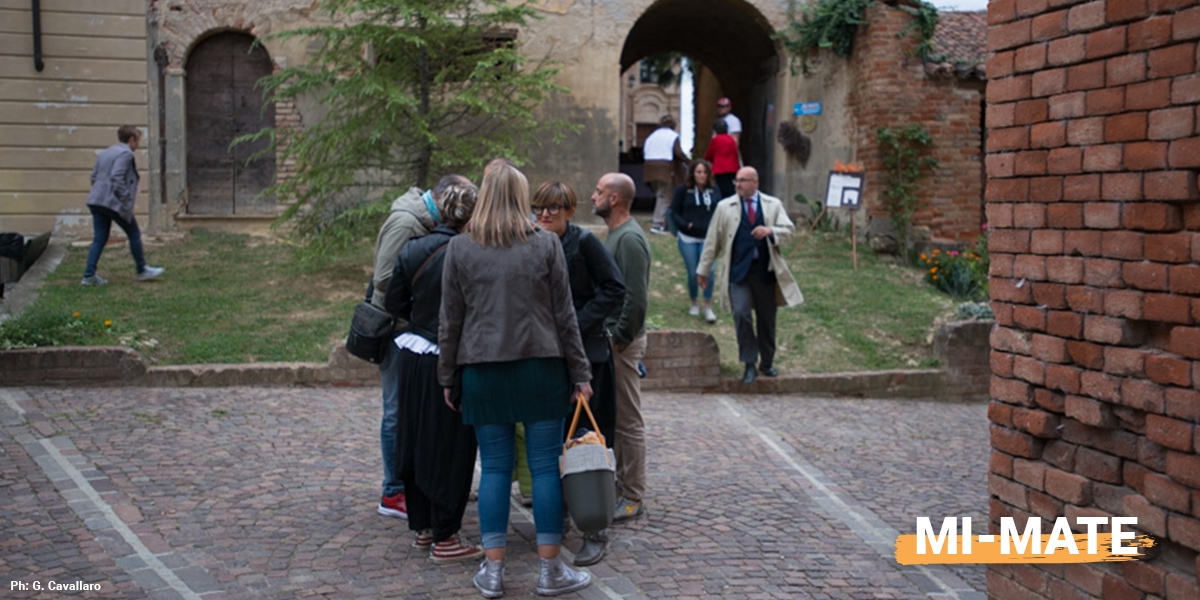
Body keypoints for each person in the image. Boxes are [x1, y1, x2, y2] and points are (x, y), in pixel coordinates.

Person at [438, 164, 593, 598]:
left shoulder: (460, 248)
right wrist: (580, 372)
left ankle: (493, 571)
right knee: (544, 466)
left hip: (483, 370)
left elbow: (450, 321)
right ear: (522, 197)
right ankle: (550, 570)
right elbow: (565, 316)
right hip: (540, 368)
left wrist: (447, 376)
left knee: (494, 468)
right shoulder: (545, 244)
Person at [383, 181, 483, 563]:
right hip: (451, 359)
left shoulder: (412, 249)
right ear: (471, 216)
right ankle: (446, 537)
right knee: (450, 447)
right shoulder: (471, 252)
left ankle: (423, 529)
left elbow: (395, 303)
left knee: (414, 441)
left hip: (413, 356)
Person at [530, 181, 626, 566]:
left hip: (589, 355)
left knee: (590, 441)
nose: (545, 214)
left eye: (553, 207)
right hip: (550, 356)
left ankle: (595, 528)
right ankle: (562, 516)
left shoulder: (584, 243)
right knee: (556, 440)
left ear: (569, 211)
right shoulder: (533, 244)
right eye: (539, 207)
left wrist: (576, 322)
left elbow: (614, 288)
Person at [371, 174, 471, 521]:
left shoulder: (425, 223)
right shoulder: (406, 222)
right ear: (443, 198)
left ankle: (420, 485)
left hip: (412, 328)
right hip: (396, 329)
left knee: (413, 412)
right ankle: (393, 490)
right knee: (396, 411)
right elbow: (383, 278)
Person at [697, 167, 804, 385]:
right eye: (736, 181)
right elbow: (712, 240)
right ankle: (749, 363)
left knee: (767, 319)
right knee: (741, 314)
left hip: (765, 271)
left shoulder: (773, 205)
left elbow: (789, 230)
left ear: (755, 182)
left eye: (743, 181)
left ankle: (767, 362)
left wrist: (771, 231)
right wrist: (703, 269)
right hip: (737, 272)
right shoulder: (724, 207)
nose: (737, 185)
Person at [590, 173, 650, 523]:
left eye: (599, 191)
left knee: (628, 421)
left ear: (614, 199)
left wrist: (620, 336)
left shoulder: (629, 238)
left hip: (622, 343)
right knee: (616, 419)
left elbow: (636, 297)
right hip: (613, 340)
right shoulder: (616, 234)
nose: (592, 196)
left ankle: (633, 493)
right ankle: (620, 484)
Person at [81, 125, 164, 286]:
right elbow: (117, 176)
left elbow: (94, 176)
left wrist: (99, 193)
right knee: (134, 233)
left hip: (96, 201)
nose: (138, 144)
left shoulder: (106, 152)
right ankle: (142, 270)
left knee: (99, 238)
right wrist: (126, 197)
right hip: (113, 203)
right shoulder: (126, 154)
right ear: (131, 139)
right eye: (137, 140)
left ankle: (89, 275)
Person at [670, 159, 720, 324]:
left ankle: (707, 304)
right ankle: (693, 301)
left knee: (709, 271)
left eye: (705, 172)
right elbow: (674, 212)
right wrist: (685, 225)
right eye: (699, 172)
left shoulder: (714, 190)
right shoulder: (683, 190)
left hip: (709, 238)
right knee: (693, 272)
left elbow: (720, 210)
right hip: (688, 237)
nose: (702, 175)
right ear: (692, 173)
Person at [642, 115, 689, 235]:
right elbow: (678, 153)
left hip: (649, 168)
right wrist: (689, 161)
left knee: (660, 194)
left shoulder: (652, 136)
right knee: (664, 196)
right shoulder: (673, 136)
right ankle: (658, 224)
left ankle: (666, 223)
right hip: (665, 169)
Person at [704, 118, 740, 199]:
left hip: (719, 169)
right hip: (731, 169)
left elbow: (709, 154)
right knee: (729, 187)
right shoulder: (731, 139)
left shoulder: (715, 140)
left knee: (720, 189)